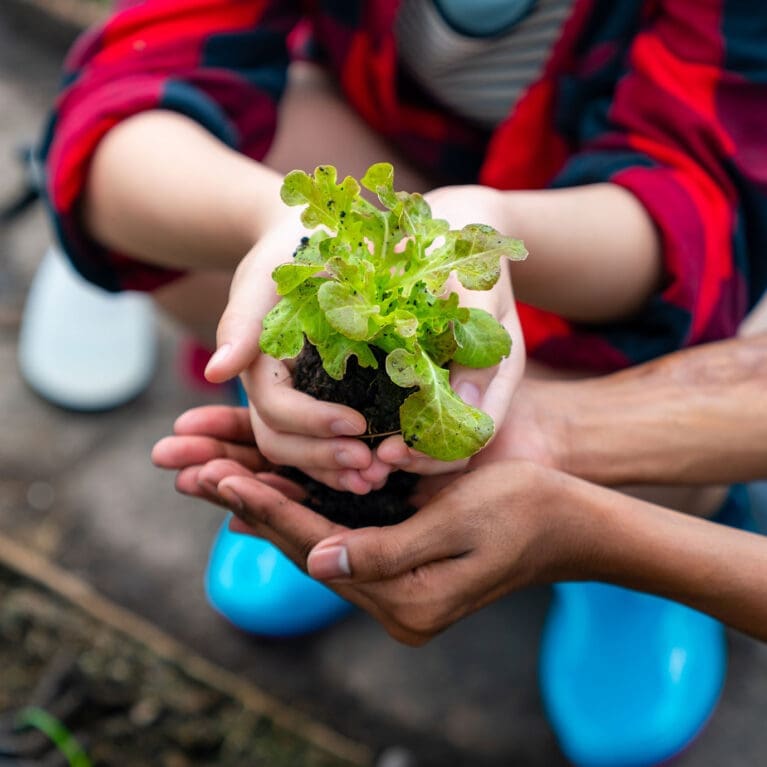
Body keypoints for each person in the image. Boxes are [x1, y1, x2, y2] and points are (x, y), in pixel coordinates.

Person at [40, 1, 767, 764]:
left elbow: (696, 209)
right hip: (397, 143)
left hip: (588, 252)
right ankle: (326, 470)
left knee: (669, 396)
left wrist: (484, 231)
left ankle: (617, 565)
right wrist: (266, 221)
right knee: (194, 215)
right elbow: (132, 86)